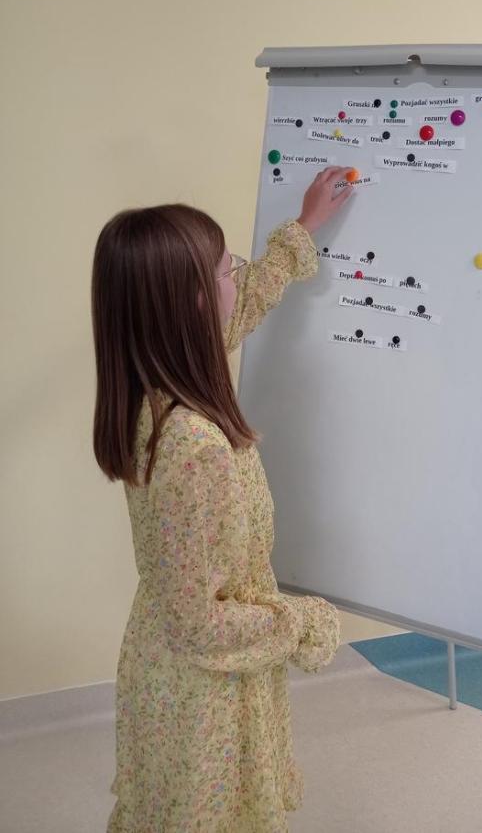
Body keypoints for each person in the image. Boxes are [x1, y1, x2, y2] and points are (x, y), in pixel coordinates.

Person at [92, 166, 353, 831]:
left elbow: (244, 305)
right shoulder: (194, 446)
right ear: (194, 304)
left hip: (167, 668)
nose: (239, 278)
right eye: (226, 269)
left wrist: (303, 229)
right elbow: (199, 625)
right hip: (203, 688)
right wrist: (302, 623)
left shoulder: (150, 380)